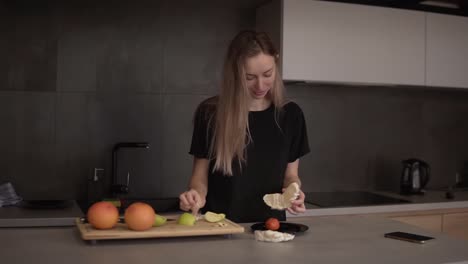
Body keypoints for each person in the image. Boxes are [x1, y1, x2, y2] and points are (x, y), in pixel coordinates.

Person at [179, 30, 310, 223]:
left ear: (276, 62)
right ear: (234, 73)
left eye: (267, 74)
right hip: (220, 227)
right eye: (249, 77)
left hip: (271, 228)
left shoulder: (291, 115)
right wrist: (195, 194)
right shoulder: (210, 113)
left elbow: (291, 176)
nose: (260, 85)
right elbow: (199, 178)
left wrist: (294, 191)